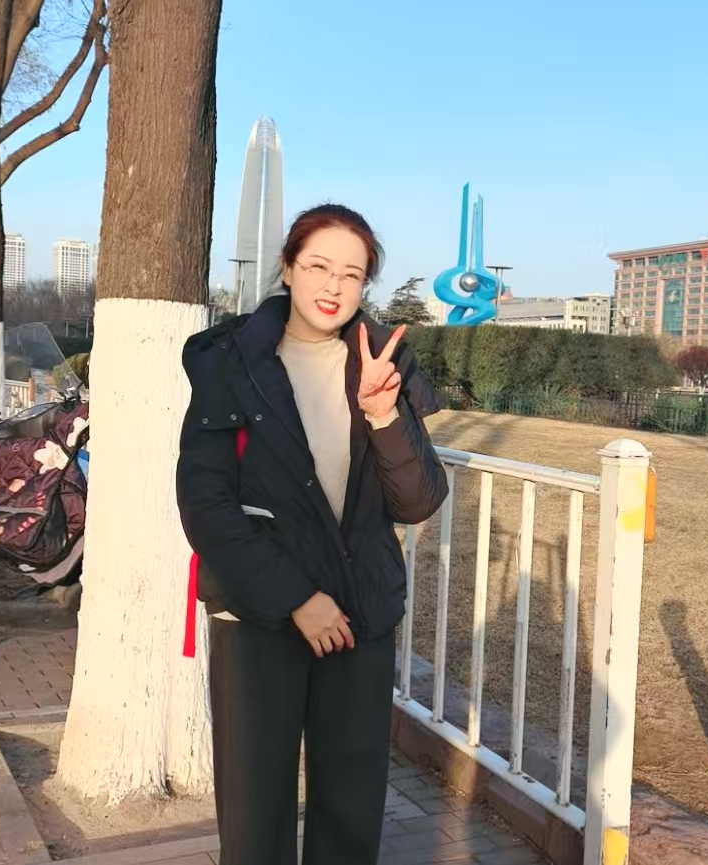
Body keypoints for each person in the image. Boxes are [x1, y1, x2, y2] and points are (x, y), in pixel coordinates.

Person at [176, 204, 449, 865]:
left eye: (352, 274)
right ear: (288, 268)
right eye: (319, 266)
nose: (333, 286)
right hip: (260, 612)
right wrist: (297, 597)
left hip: (359, 611)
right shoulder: (230, 360)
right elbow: (206, 503)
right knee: (256, 813)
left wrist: (383, 415)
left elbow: (417, 501)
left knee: (350, 810)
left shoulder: (382, 364)